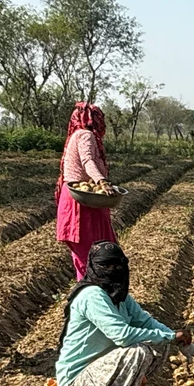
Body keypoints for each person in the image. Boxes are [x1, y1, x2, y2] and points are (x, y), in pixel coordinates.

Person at [27, 242, 194, 386]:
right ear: (93, 266)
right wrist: (170, 336)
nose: (112, 270)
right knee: (138, 352)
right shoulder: (92, 296)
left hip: (98, 371)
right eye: (105, 265)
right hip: (76, 384)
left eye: (117, 265)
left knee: (158, 344)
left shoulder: (119, 295)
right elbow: (122, 335)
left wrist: (179, 341)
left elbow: (146, 322)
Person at [55, 102, 116, 280]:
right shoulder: (85, 135)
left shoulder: (78, 134)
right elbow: (87, 160)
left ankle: (89, 288)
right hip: (81, 202)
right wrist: (102, 181)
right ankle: (92, 290)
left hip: (81, 199)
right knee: (91, 256)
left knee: (87, 256)